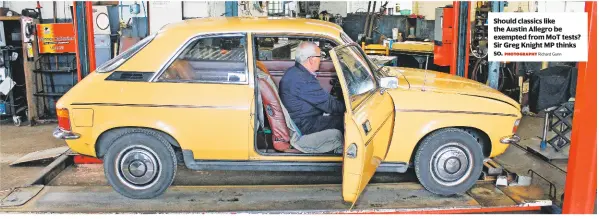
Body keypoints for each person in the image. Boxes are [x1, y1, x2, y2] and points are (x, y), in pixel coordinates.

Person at [279, 42, 345, 136]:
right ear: (311, 59)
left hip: (301, 119)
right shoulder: (303, 80)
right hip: (306, 125)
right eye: (320, 56)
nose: (321, 60)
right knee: (344, 121)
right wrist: (350, 107)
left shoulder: (294, 71)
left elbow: (322, 100)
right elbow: (330, 106)